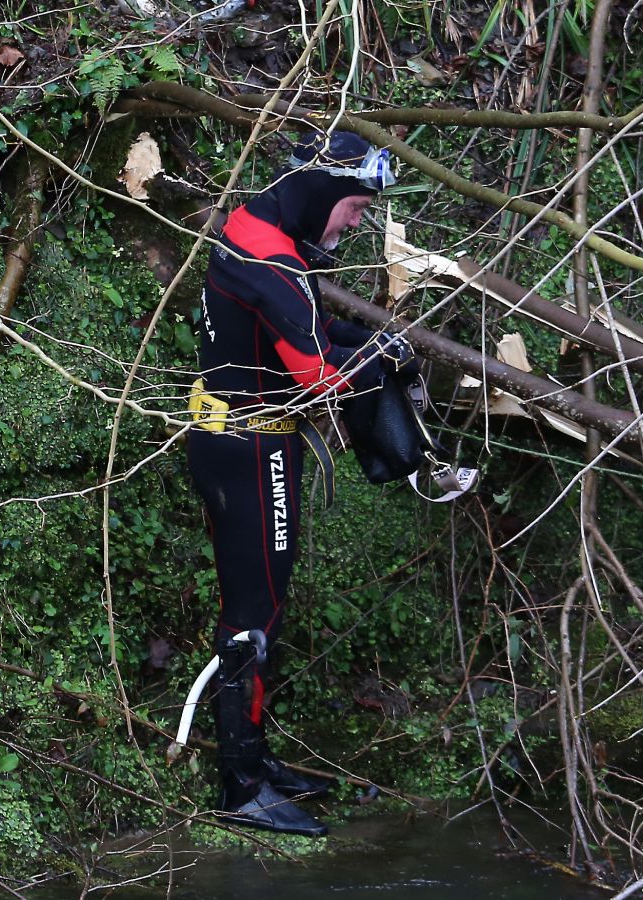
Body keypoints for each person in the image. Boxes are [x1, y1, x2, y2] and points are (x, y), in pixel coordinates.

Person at [186, 130, 412, 836]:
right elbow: (317, 373)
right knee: (251, 619)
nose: (357, 222)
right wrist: (379, 370)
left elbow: (300, 332)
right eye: (355, 207)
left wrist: (372, 341)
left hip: (245, 435)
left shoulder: (258, 225)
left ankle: (257, 762)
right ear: (322, 192)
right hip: (248, 448)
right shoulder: (275, 266)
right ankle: (241, 787)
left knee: (266, 608)